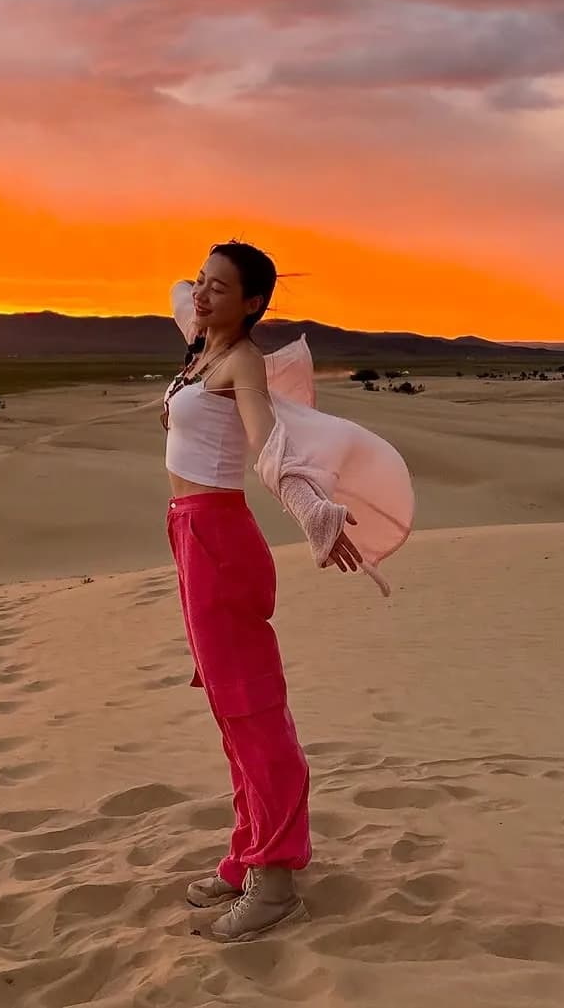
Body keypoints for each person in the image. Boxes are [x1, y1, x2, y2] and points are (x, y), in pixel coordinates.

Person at [162, 240, 414, 942]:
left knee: (251, 710)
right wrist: (207, 298)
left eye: (223, 288)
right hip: (186, 535)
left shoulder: (239, 360)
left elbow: (270, 447)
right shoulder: (200, 344)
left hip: (218, 539)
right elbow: (179, 288)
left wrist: (315, 514)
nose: (205, 295)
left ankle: (273, 878)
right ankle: (247, 855)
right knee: (225, 708)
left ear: (254, 305)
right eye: (205, 284)